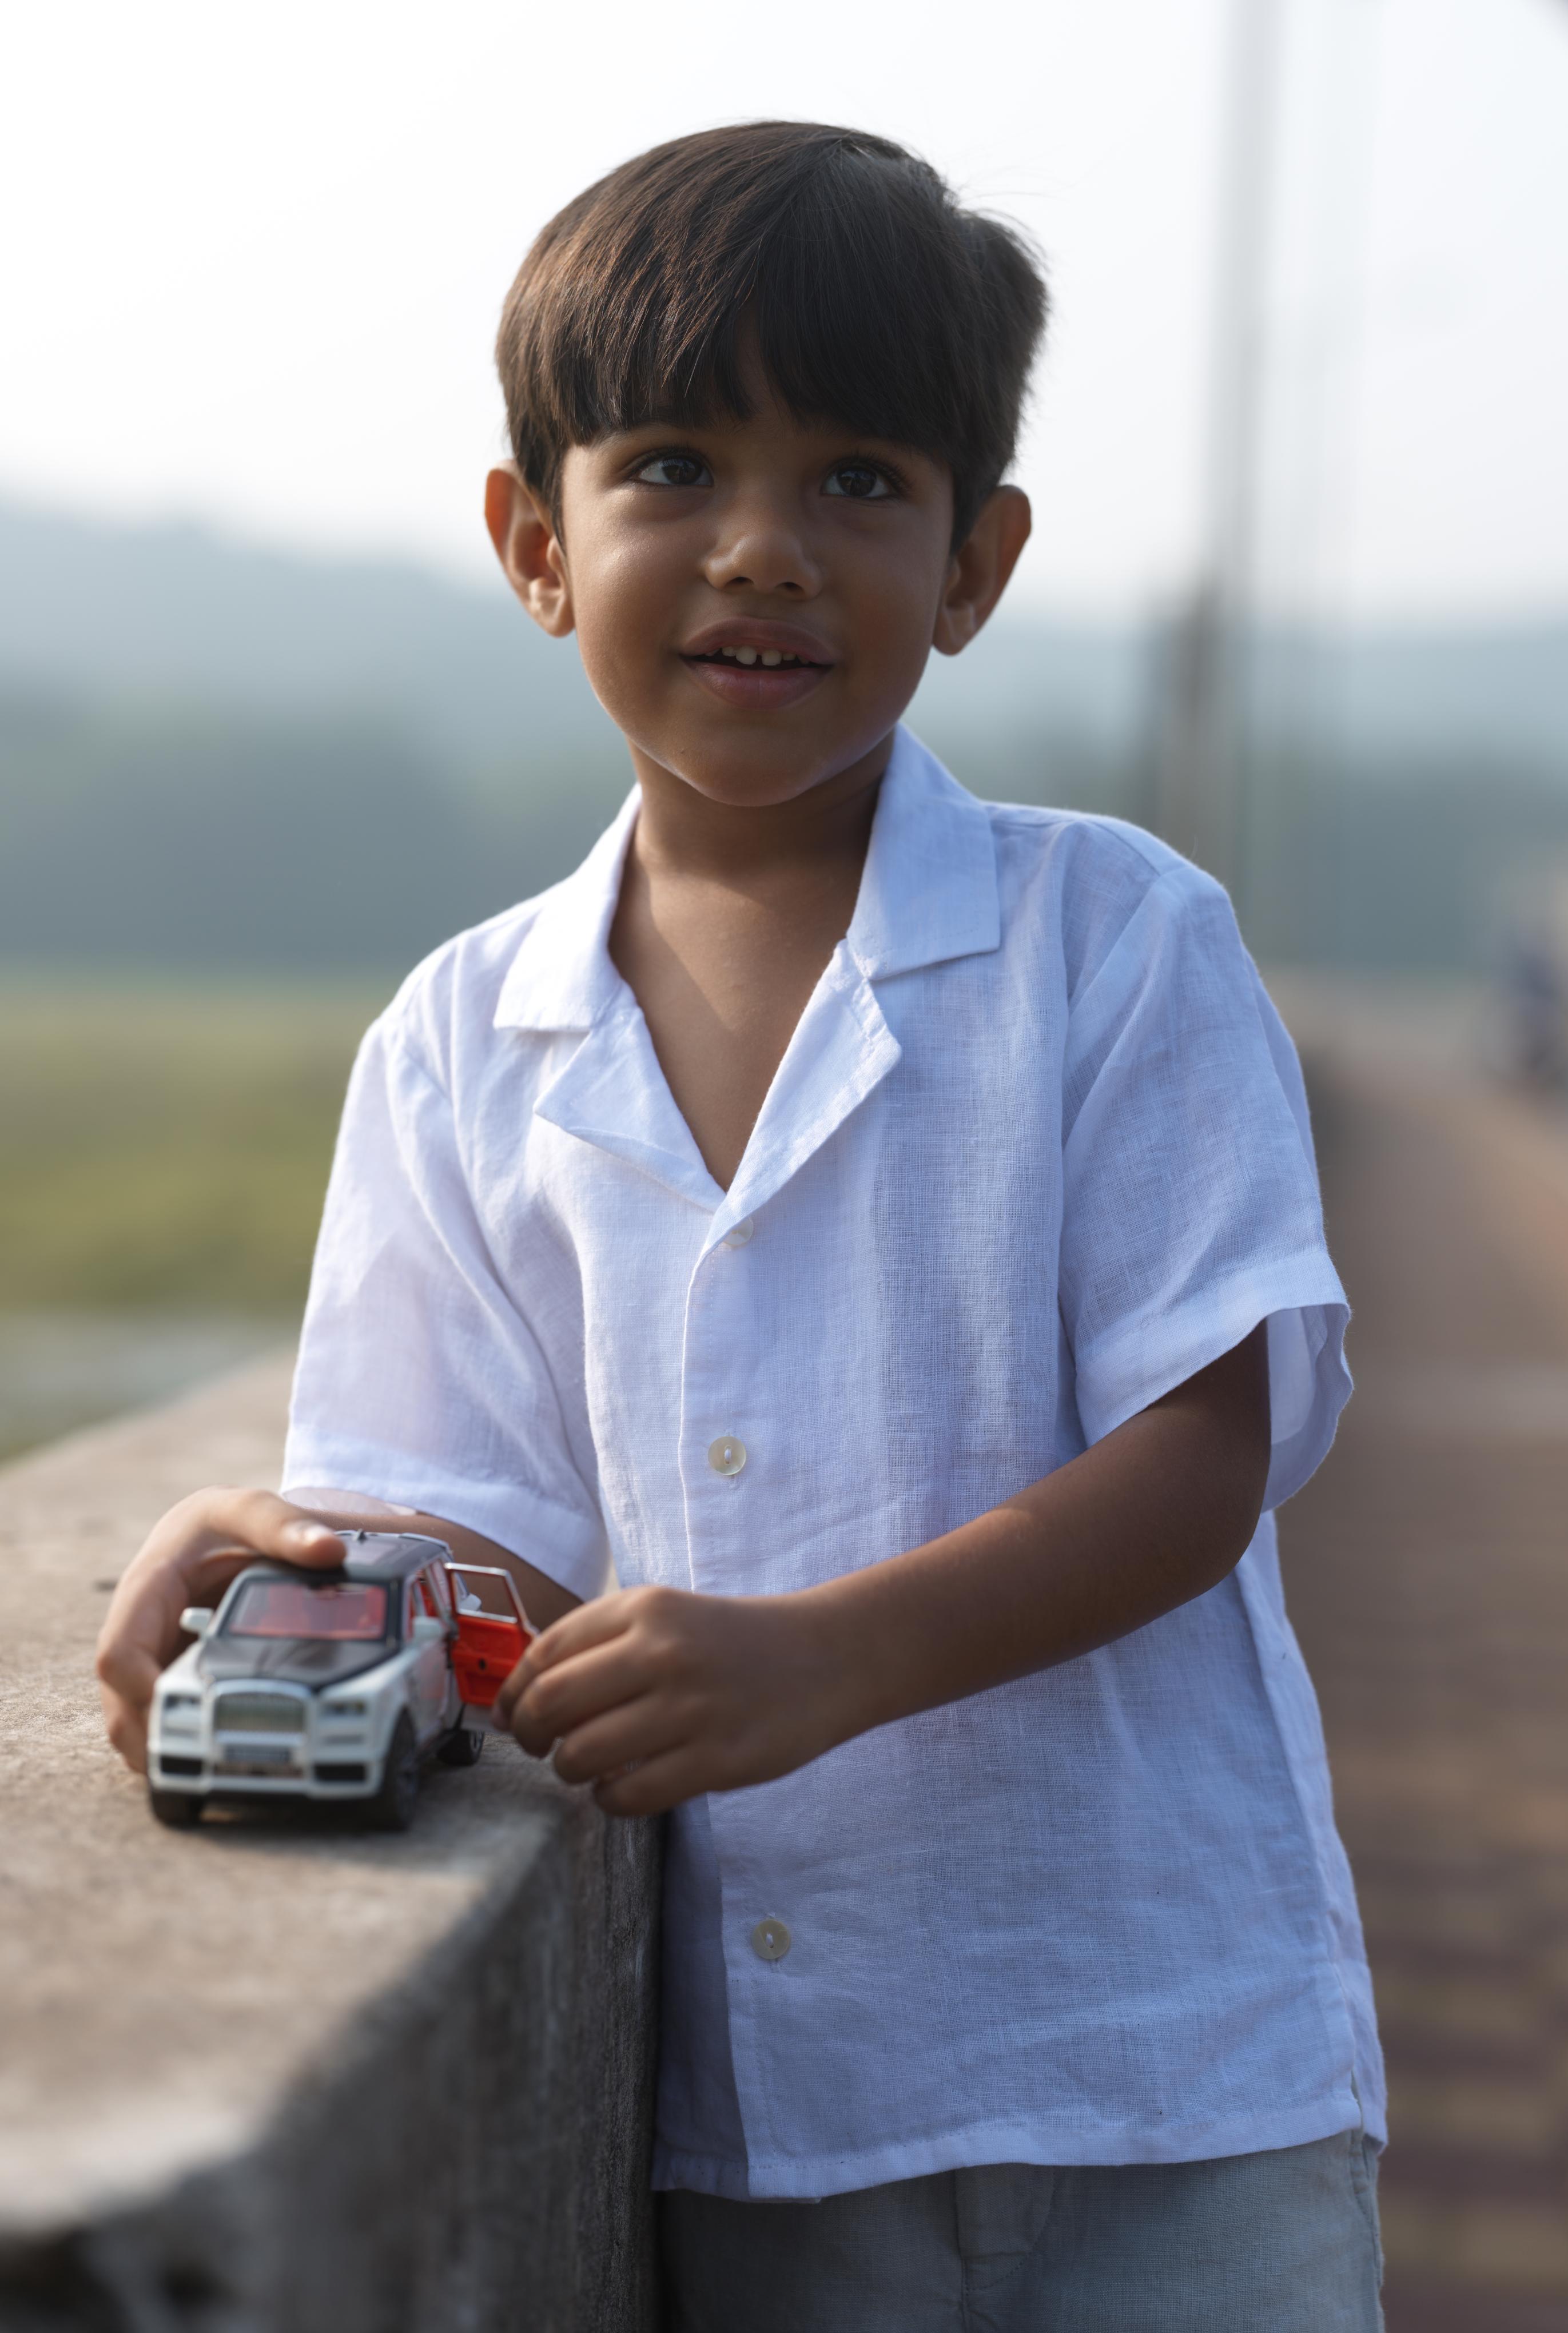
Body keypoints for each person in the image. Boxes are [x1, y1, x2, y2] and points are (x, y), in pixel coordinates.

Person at [95, 122, 1383, 2330]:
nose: (762, 552)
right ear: (533, 541)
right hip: (775, 2109)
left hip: (1166, 2067)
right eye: (674, 468)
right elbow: (485, 1549)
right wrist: (296, 1567)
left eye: (860, 483)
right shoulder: (454, 1045)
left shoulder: (1117, 940)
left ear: (974, 564)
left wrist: (826, 1658)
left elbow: (1206, 1445)